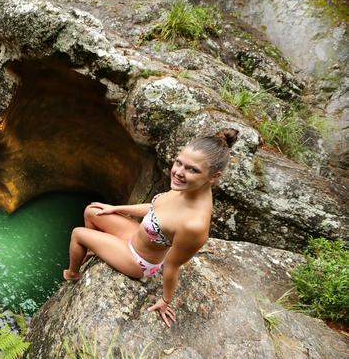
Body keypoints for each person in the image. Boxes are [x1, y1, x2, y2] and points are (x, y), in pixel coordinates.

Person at [63, 129, 239, 327]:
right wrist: (116, 208)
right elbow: (155, 207)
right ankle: (96, 248)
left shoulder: (194, 224)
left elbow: (172, 266)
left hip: (138, 261)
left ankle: (73, 274)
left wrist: (165, 300)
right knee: (92, 211)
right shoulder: (185, 190)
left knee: (78, 234)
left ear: (214, 176)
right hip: (139, 235)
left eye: (192, 169)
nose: (179, 172)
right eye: (179, 162)